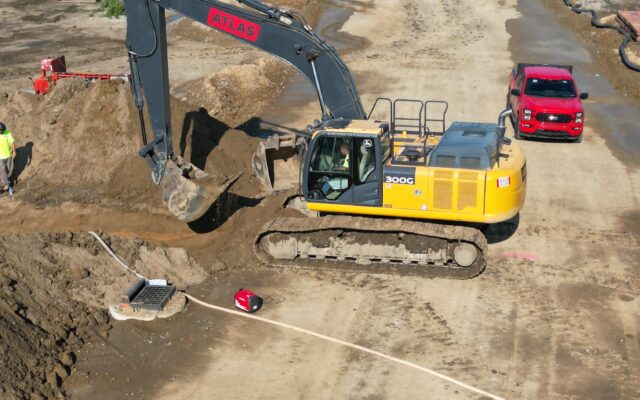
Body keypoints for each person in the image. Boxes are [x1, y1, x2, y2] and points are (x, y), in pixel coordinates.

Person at [0, 122, 16, 193]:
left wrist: (14, 151)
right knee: (3, 170)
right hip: (1, 157)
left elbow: (12, 142)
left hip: (9, 155)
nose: (2, 132)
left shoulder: (7, 133)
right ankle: (7, 185)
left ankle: (4, 180)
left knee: (8, 169)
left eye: (2, 131)